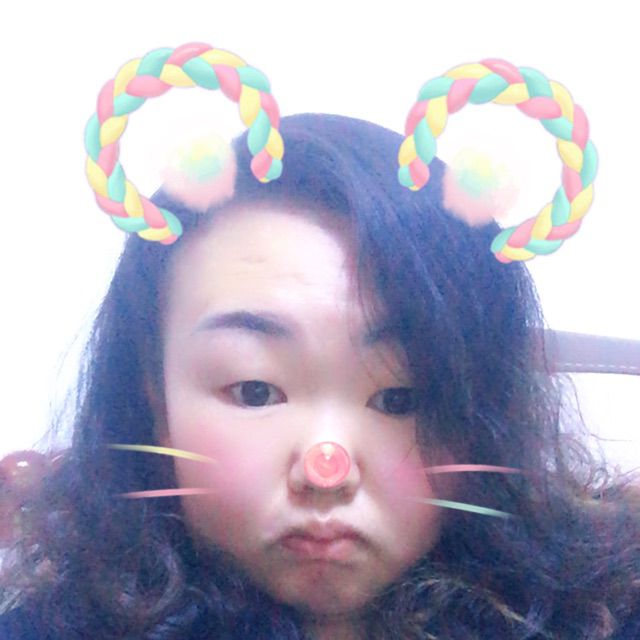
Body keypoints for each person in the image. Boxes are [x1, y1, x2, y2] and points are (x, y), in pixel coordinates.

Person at [1, 112, 639, 639]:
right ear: (154, 395)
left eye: (400, 398)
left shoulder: (599, 616)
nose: (325, 470)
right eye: (255, 391)